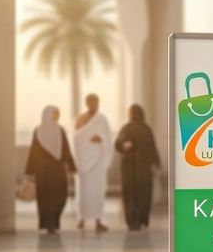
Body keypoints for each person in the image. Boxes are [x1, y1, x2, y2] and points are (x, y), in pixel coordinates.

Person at [25, 106, 75, 234]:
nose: (57, 116)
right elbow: (33, 151)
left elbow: (66, 149)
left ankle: (54, 222)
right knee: (45, 198)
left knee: (60, 196)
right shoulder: (38, 131)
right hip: (42, 171)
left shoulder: (60, 130)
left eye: (58, 114)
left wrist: (71, 167)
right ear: (48, 114)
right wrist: (30, 172)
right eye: (55, 114)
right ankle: (49, 224)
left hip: (57, 170)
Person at [115, 104, 160, 231]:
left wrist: (156, 163)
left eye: (135, 112)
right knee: (131, 194)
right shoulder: (127, 128)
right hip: (130, 168)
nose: (134, 115)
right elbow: (118, 143)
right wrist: (124, 145)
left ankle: (141, 219)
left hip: (143, 168)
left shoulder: (146, 129)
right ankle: (133, 221)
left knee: (143, 194)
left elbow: (152, 147)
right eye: (132, 113)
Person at [72, 94, 113, 232]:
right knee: (83, 192)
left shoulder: (102, 120)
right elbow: (76, 139)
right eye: (90, 101)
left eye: (96, 101)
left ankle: (98, 220)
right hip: (84, 162)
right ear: (86, 103)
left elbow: (108, 137)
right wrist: (87, 142)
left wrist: (100, 138)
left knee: (98, 191)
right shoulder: (80, 119)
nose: (93, 104)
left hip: (98, 163)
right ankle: (82, 219)